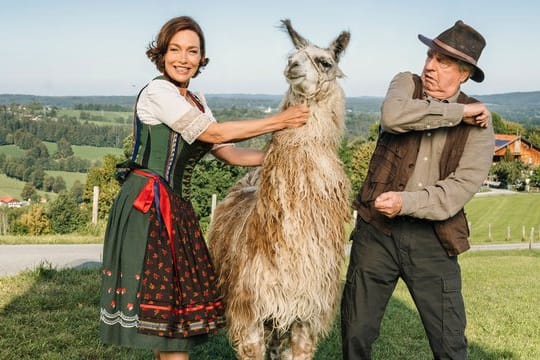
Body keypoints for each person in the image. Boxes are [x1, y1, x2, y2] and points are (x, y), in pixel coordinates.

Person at [99, 16, 309, 360]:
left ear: (201, 58)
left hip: (175, 206)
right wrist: (280, 120)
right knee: (171, 326)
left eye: (192, 51)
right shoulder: (158, 93)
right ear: (161, 54)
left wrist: (279, 155)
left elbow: (230, 153)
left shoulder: (195, 99)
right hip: (148, 205)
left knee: (171, 320)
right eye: (175, 50)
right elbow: (216, 134)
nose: (184, 58)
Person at [341, 20, 494, 359]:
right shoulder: (405, 84)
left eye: (443, 61)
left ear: (465, 73)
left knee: (450, 344)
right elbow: (393, 117)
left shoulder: (481, 125)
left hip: (433, 241)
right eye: (430, 55)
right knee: (356, 335)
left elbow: (458, 190)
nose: (429, 66)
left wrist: (405, 202)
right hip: (376, 235)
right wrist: (458, 112)